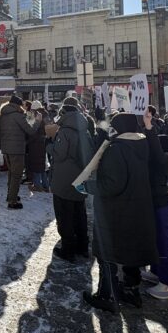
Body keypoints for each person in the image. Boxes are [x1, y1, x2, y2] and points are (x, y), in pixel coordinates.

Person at [84, 113, 158, 312]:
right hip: (137, 206)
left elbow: (112, 185)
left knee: (107, 251)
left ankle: (107, 294)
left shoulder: (116, 149)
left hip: (115, 209)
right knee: (131, 251)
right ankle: (131, 291)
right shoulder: (141, 144)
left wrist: (88, 186)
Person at [140, 108, 168, 300]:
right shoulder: (160, 161)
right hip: (156, 203)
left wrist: (149, 127)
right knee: (156, 241)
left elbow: (156, 150)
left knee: (164, 244)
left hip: (160, 205)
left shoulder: (160, 160)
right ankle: (157, 272)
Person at [48, 98, 93, 262]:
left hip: (64, 180)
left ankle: (68, 249)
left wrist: (49, 145)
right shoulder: (85, 130)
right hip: (80, 178)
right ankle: (83, 246)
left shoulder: (65, 131)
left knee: (65, 216)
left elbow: (59, 154)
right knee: (79, 214)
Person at [0, 94, 42, 209]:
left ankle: (10, 195)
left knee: (11, 173)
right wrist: (37, 121)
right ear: (18, 105)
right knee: (16, 175)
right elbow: (30, 131)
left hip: (6, 148)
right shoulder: (18, 115)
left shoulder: (3, 115)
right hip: (17, 149)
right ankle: (12, 201)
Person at [27, 100, 50, 193]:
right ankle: (46, 185)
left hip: (35, 143)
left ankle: (37, 185)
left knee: (36, 164)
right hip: (44, 142)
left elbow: (31, 130)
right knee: (42, 165)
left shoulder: (35, 115)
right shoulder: (46, 114)